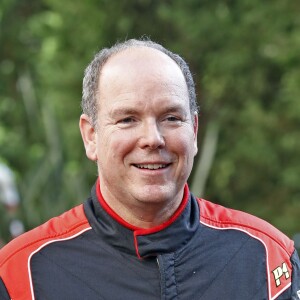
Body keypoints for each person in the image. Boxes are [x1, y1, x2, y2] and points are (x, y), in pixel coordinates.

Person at [0, 39, 299, 300]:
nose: (153, 139)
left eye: (171, 117)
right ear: (91, 136)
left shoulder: (268, 259)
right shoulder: (21, 275)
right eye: (128, 119)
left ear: (194, 131)